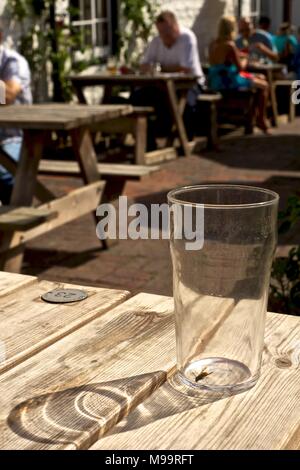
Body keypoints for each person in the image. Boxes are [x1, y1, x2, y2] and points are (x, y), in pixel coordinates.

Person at [132, 10, 205, 144]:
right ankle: (147, 143)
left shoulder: (187, 38)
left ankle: (185, 140)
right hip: (165, 85)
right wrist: (151, 67)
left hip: (191, 84)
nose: (164, 37)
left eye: (168, 32)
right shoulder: (157, 41)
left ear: (176, 27)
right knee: (138, 97)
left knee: (182, 103)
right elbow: (144, 65)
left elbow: (185, 69)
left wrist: (161, 68)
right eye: (161, 33)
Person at [209, 16, 270, 133]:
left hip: (215, 80)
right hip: (229, 81)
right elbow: (241, 69)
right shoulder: (230, 45)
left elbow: (222, 61)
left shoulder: (213, 43)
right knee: (264, 85)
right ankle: (260, 119)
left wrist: (240, 54)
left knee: (259, 78)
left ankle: (253, 117)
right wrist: (245, 58)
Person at [0, 21, 32, 204]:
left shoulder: (14, 61)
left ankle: (16, 211)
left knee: (3, 172)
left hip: (17, 137)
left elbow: (9, 93)